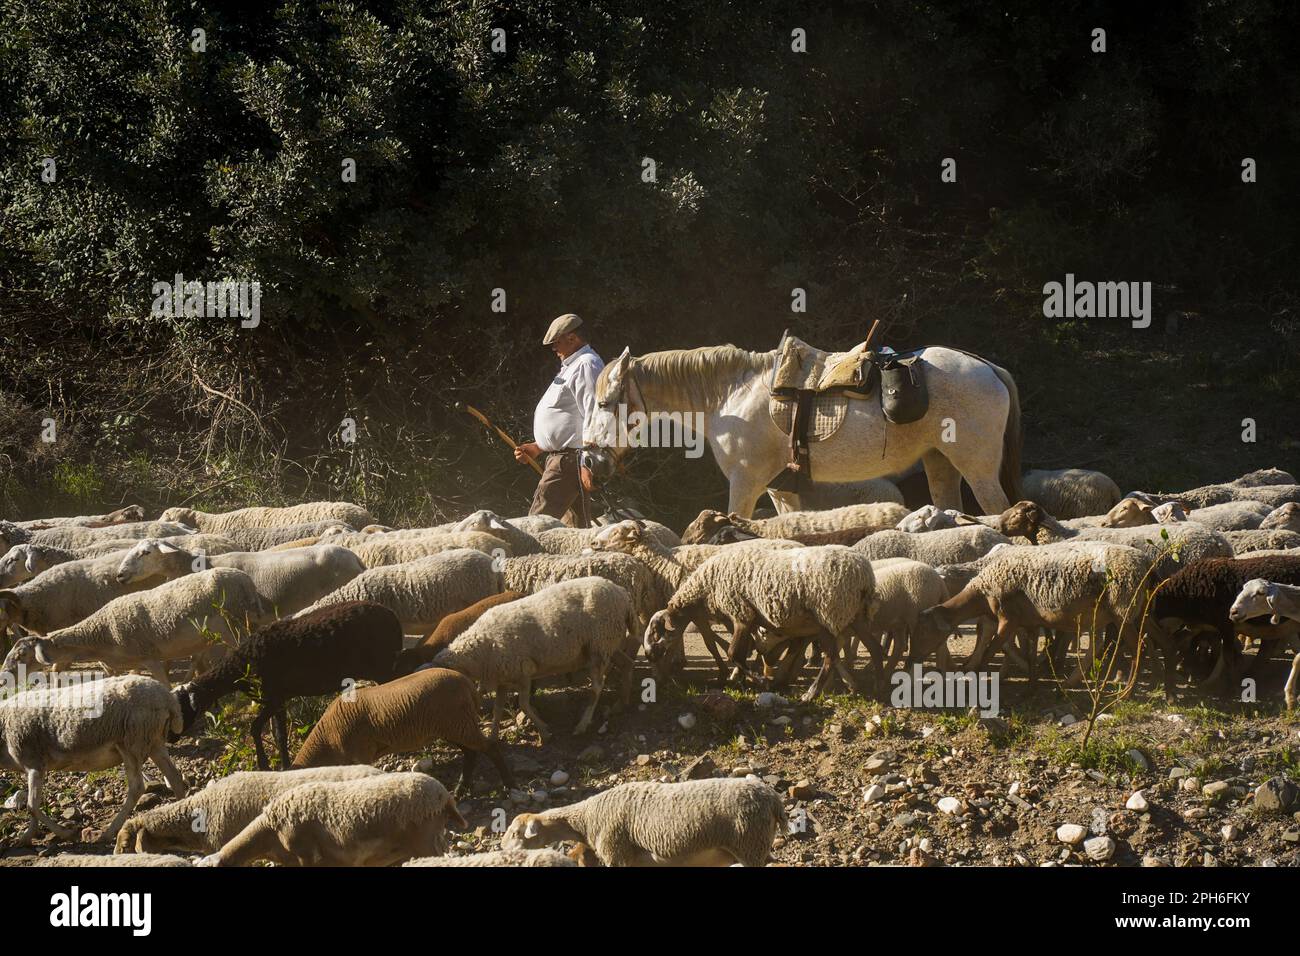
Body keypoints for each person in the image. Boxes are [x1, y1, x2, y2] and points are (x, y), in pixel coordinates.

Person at [515, 313, 604, 527]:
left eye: (557, 342)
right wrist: (539, 446)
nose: (554, 348)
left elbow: (595, 415)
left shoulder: (586, 365)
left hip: (569, 461)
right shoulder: (573, 366)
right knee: (575, 531)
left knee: (536, 526)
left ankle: (526, 561)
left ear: (572, 338)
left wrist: (588, 464)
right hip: (565, 459)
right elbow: (569, 416)